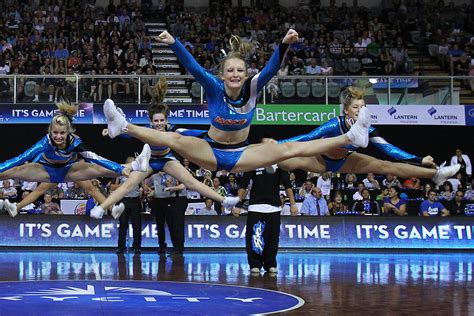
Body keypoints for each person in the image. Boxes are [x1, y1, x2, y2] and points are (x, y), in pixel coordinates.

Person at [104, 33, 372, 174]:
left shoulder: (253, 87)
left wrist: (284, 44)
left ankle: (351, 135)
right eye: (230, 71)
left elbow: (271, 67)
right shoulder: (213, 86)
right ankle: (122, 125)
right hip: (210, 150)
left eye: (239, 71)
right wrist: (174, 44)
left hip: (243, 153)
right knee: (173, 138)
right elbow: (194, 68)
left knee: (291, 149)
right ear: (223, 75)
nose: (234, 75)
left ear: (246, 74)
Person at [90, 78, 242, 218]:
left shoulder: (172, 129)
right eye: (156, 121)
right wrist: (112, 133)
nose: (159, 124)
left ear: (167, 120)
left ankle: (224, 201)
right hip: (149, 161)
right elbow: (130, 134)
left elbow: (192, 133)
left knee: (191, 182)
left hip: (167, 160)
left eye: (162, 120)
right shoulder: (147, 130)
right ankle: (102, 208)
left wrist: (209, 134)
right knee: (129, 184)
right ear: (151, 121)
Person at [0, 100, 151, 219]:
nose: (58, 136)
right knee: (14, 171)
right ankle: (16, 207)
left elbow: (93, 157)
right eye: (55, 133)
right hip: (46, 171)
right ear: (50, 131)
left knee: (98, 170)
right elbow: (21, 157)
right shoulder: (44, 142)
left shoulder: (75, 141)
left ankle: (133, 165)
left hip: (69, 171)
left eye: (62, 133)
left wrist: (119, 169)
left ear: (69, 131)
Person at [233, 166, 297, 274]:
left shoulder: (280, 164)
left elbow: (287, 184)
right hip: (256, 206)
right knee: (255, 236)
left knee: (273, 238)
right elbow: (244, 184)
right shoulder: (254, 162)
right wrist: (238, 204)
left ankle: (270, 263)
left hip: (274, 207)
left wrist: (293, 204)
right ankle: (255, 263)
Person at [2, 180, 107, 218]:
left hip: (67, 173)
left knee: (39, 190)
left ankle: (114, 208)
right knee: (39, 190)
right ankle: (17, 207)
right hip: (56, 173)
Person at [148, 171, 187, 256]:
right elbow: (148, 184)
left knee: (176, 225)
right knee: (164, 225)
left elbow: (179, 186)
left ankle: (178, 247)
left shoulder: (174, 174)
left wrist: (165, 180)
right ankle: (167, 246)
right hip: (162, 200)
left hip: (176, 199)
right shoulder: (154, 176)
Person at [115, 157, 142, 255]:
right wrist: (124, 185)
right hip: (123, 201)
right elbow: (113, 187)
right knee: (123, 225)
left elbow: (143, 186)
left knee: (137, 225)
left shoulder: (139, 173)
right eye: (131, 162)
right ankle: (121, 247)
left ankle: (137, 247)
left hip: (135, 201)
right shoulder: (120, 174)